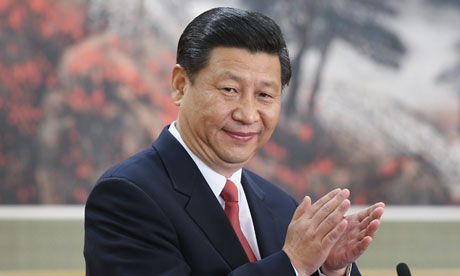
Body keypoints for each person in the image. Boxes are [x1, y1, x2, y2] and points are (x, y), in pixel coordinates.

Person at [84, 7, 384, 276]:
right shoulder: (126, 196)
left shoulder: (282, 207)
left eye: (265, 95)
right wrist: (292, 265)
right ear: (179, 85)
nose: (247, 114)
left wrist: (327, 270)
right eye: (229, 89)